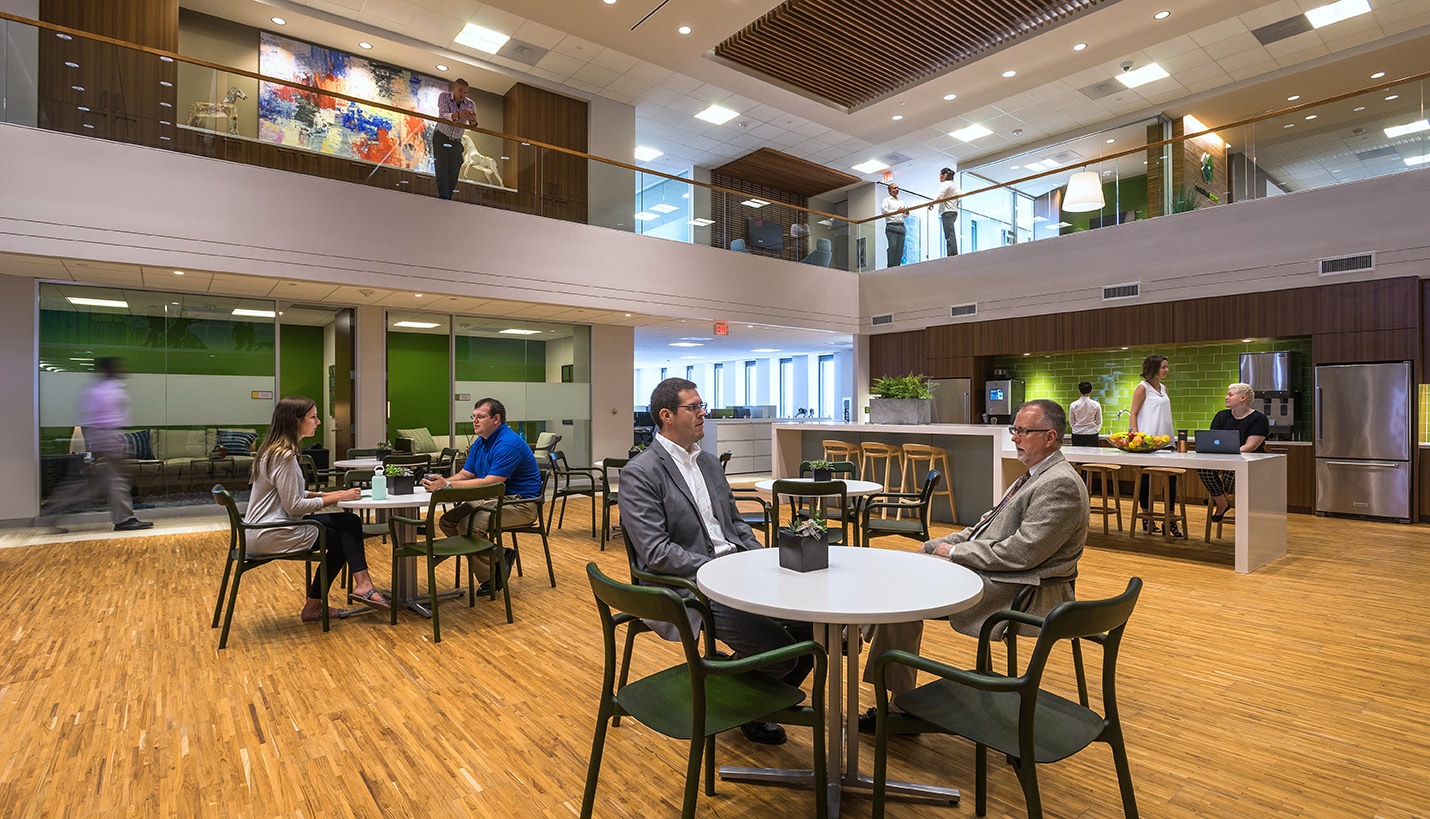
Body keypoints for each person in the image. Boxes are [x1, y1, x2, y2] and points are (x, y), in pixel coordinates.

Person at [861, 399, 1087, 723]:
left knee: (904, 590)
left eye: (1023, 431)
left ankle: (887, 687)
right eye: (1014, 430)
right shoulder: (1035, 476)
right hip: (999, 570)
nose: (1014, 437)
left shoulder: (1059, 483)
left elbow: (1023, 553)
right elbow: (984, 527)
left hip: (1022, 588)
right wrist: (934, 545)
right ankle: (898, 701)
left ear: (1050, 437)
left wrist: (954, 553)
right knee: (906, 571)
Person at [619, 378, 815, 746]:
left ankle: (750, 702)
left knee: (813, 629)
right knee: (781, 653)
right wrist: (720, 572)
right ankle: (725, 690)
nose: (703, 413)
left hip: (739, 573)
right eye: (693, 407)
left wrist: (759, 560)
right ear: (666, 416)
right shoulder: (641, 473)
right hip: (692, 586)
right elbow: (656, 552)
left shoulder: (708, 462)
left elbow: (736, 524)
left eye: (701, 405)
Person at [246, 396, 386, 620]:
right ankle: (341, 595)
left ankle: (359, 585)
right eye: (313, 417)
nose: (318, 422)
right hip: (272, 532)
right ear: (296, 421)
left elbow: (289, 493)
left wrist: (325, 494)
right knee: (343, 538)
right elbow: (293, 506)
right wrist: (333, 499)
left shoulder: (272, 450)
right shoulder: (285, 456)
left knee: (349, 522)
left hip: (261, 528)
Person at [424, 398, 541, 596]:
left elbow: (491, 482)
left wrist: (448, 485)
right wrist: (442, 483)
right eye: (473, 417)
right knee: (447, 521)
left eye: (480, 417)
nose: (475, 421)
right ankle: (500, 556)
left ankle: (490, 578)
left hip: (522, 504)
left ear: (496, 419)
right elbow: (466, 474)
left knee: (468, 525)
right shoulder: (481, 442)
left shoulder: (508, 444)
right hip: (494, 500)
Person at [37, 357, 153, 532]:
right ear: (109, 369)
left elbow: (90, 422)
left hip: (100, 440)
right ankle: (123, 520)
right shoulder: (108, 391)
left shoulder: (95, 389)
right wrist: (112, 450)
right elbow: (105, 423)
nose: (123, 369)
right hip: (106, 440)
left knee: (93, 485)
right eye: (118, 367)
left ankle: (53, 510)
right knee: (110, 482)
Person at [1197, 383, 1269, 522]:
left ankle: (1220, 499)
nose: (1226, 397)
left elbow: (1251, 446)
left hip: (1250, 462)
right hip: (1226, 458)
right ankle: (1222, 502)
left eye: (1230, 395)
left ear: (1242, 398)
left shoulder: (1259, 419)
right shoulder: (1221, 416)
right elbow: (1213, 439)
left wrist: (1228, 452)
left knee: (1233, 471)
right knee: (1203, 468)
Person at [1130, 353, 1181, 536]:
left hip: (1166, 441)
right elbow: (1133, 413)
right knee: (1146, 479)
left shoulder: (1163, 388)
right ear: (1153, 368)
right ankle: (1147, 518)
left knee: (1171, 479)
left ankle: (1170, 519)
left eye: (1167, 366)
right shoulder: (1142, 388)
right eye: (1164, 367)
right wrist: (1137, 437)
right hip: (1148, 443)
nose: (1167, 370)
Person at [433, 78, 477, 200]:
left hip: (457, 140)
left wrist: (472, 119)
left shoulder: (470, 104)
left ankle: (449, 197)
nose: (463, 95)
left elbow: (474, 125)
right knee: (442, 168)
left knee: (455, 167)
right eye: (460, 91)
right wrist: (458, 115)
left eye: (465, 92)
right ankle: (443, 197)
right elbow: (443, 115)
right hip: (441, 136)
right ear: (454, 88)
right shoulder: (444, 97)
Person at [935, 167, 961, 256]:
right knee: (951, 232)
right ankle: (953, 253)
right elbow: (958, 201)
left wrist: (932, 204)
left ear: (945, 175)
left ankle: (952, 254)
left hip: (947, 212)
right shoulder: (953, 185)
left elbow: (940, 196)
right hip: (953, 211)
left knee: (949, 234)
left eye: (940, 175)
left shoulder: (946, 184)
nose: (940, 177)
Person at [1069, 380, 1103, 447]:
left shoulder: (1073, 405)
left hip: (1077, 435)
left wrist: (1077, 428)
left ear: (1079, 391)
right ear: (1091, 391)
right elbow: (1099, 421)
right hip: (1092, 434)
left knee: (1077, 456)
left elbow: (1071, 422)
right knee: (1092, 456)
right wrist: (1095, 429)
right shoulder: (1096, 404)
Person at [881, 183, 907, 268]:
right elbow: (884, 211)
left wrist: (906, 212)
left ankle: (897, 266)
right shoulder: (887, 200)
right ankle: (891, 266)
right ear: (889, 191)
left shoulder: (901, 201)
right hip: (892, 225)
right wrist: (896, 211)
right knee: (893, 247)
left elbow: (905, 216)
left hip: (901, 225)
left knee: (900, 249)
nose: (896, 189)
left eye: (897, 188)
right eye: (894, 188)